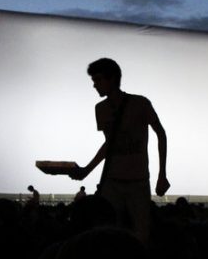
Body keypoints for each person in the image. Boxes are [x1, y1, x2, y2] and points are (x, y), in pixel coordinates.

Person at [70, 58, 169, 243]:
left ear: (112, 78)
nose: (95, 85)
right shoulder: (101, 109)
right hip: (116, 181)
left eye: (98, 79)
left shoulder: (140, 104)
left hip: (136, 181)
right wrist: (86, 170)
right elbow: (111, 144)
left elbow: (161, 134)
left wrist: (162, 174)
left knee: (135, 234)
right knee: (112, 234)